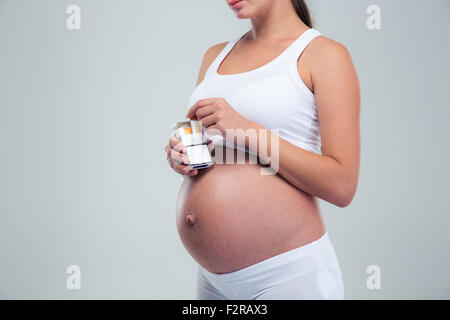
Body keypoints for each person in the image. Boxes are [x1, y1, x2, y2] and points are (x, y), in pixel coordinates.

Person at [165, 0, 360, 300]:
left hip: (288, 277)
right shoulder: (214, 57)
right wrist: (183, 156)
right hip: (213, 283)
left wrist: (246, 130)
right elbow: (218, 152)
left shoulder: (324, 55)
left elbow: (342, 185)